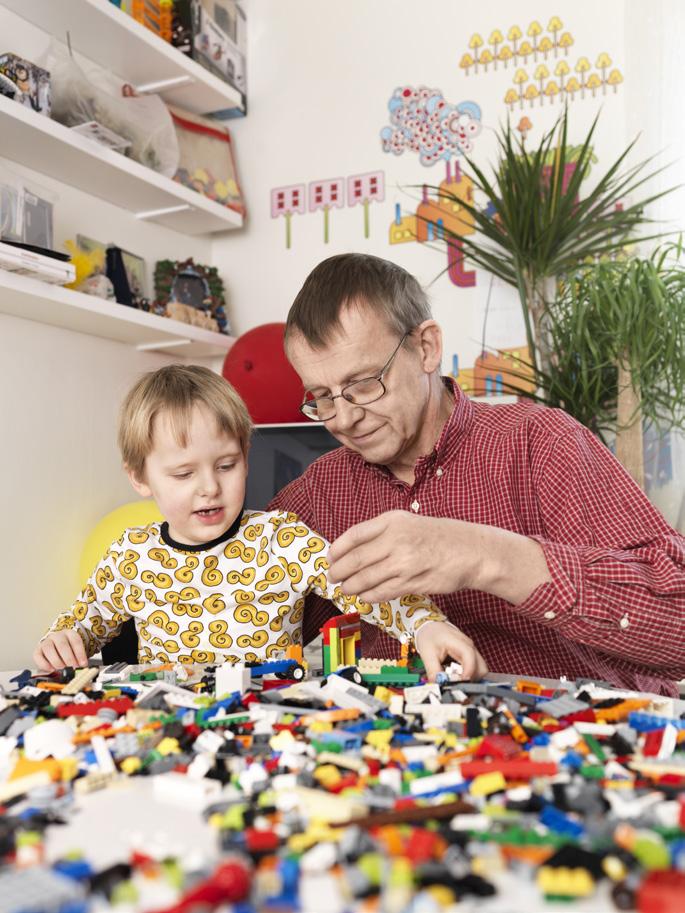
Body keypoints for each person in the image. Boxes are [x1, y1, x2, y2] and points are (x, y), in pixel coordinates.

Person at [269, 253, 685, 696]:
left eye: (365, 383)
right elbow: (232, 605)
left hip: (580, 739)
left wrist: (484, 555)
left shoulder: (541, 443)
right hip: (402, 754)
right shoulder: (317, 494)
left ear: (426, 347)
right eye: (322, 397)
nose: (345, 418)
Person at [33, 365, 483, 680]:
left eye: (226, 465)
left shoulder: (280, 539)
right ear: (140, 477)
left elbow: (366, 588)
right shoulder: (130, 555)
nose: (209, 487)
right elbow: (81, 624)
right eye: (184, 474)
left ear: (247, 457)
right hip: (167, 731)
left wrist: (426, 625)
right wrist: (62, 641)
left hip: (269, 728)